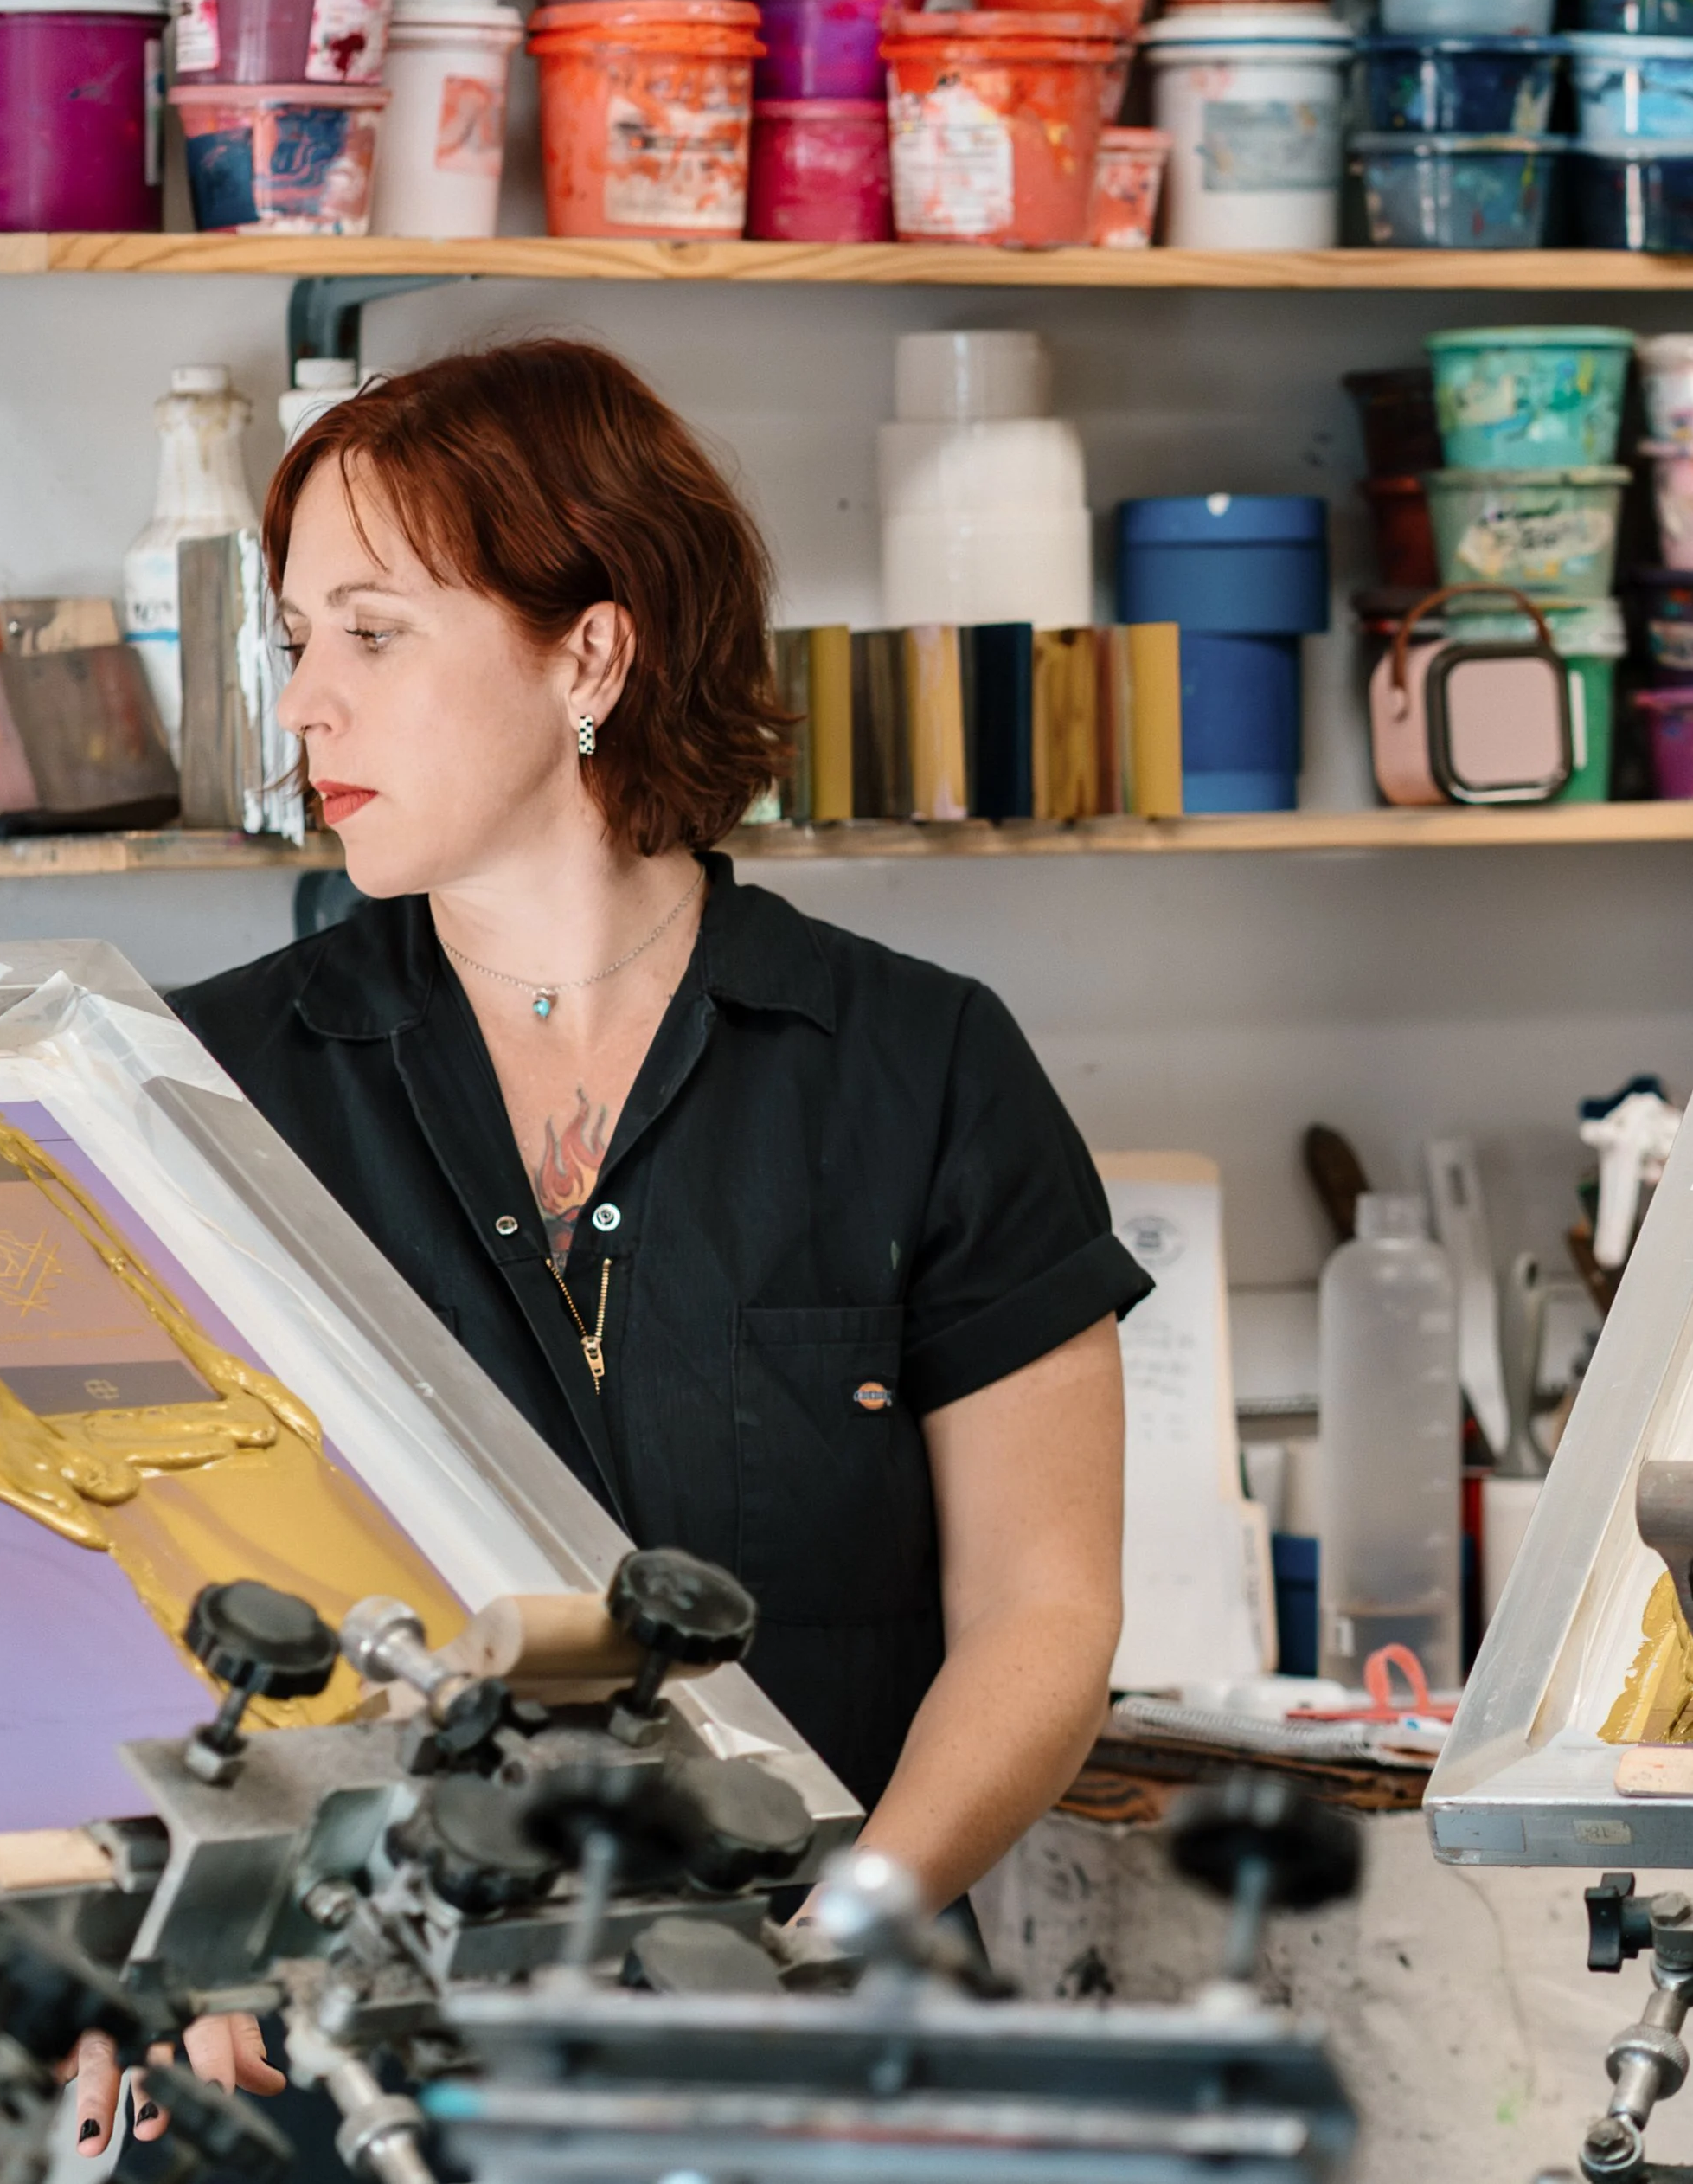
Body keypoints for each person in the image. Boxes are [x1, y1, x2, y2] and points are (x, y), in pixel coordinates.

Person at [70, 336, 1148, 2153]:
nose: (304, 705)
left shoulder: (917, 1063)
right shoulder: (193, 1085)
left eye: (373, 633)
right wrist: (137, 1942)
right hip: (344, 2082)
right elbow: (101, 1590)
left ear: (587, 651)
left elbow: (1042, 1613)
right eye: (292, 641)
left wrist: (830, 1946)